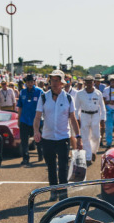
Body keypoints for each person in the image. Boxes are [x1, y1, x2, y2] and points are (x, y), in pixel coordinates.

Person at [33, 70, 81, 200]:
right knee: (51, 167)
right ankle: (53, 192)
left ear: (62, 82)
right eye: (52, 80)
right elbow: (37, 117)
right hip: (47, 137)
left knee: (63, 167)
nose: (54, 83)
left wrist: (78, 136)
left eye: (57, 80)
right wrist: (36, 131)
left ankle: (63, 194)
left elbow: (73, 118)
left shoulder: (68, 98)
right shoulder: (44, 97)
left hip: (63, 137)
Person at [74, 77, 107, 163]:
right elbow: (76, 108)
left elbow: (102, 107)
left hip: (96, 115)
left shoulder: (98, 93)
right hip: (84, 115)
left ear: (93, 83)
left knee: (96, 136)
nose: (89, 84)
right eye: (87, 82)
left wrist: (103, 119)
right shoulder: (79, 94)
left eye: (90, 82)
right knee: (85, 137)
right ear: (84, 83)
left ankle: (93, 151)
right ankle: (88, 157)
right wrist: (77, 119)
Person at [17, 73, 43, 166]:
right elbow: (20, 107)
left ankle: (40, 153)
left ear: (34, 82)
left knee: (38, 139)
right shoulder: (22, 92)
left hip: (36, 120)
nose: (30, 83)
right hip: (24, 119)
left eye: (32, 82)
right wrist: (18, 119)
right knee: (24, 141)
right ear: (26, 83)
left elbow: (45, 106)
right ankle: (25, 158)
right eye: (28, 82)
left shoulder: (40, 92)